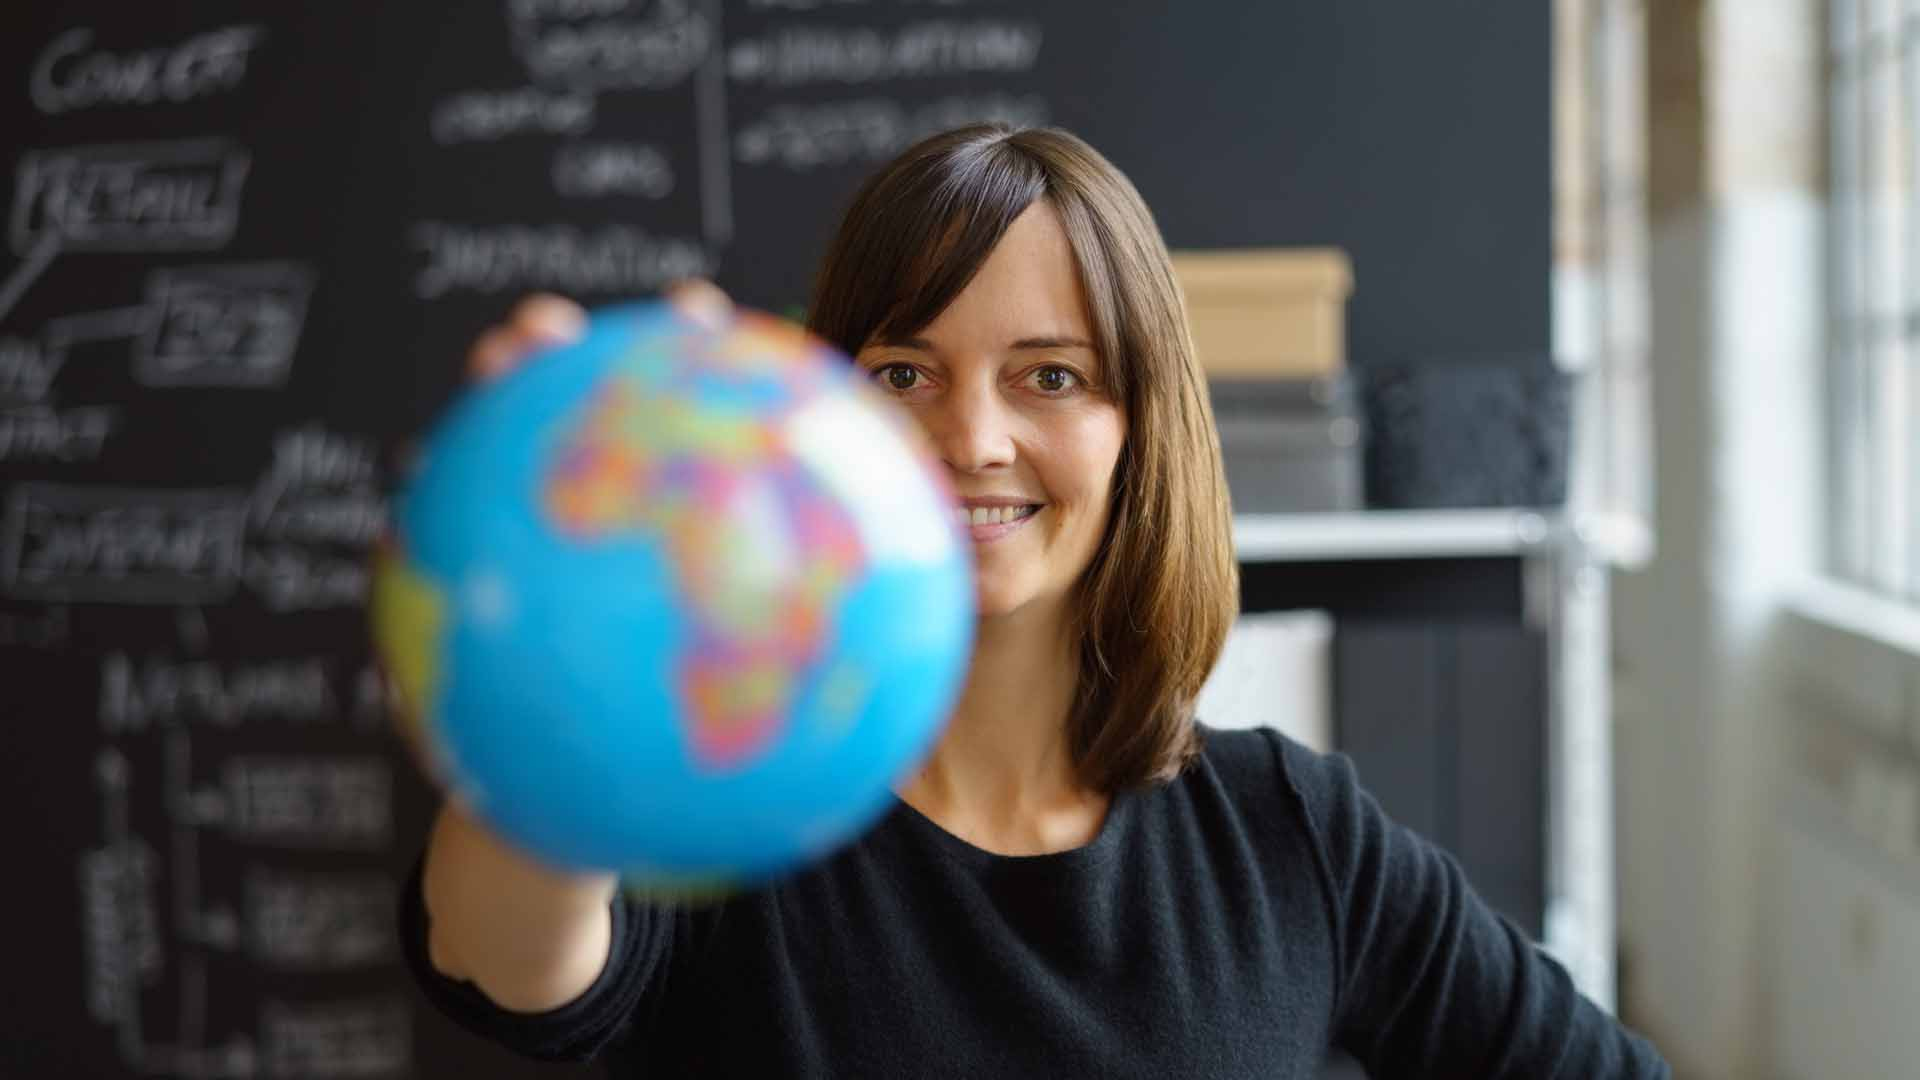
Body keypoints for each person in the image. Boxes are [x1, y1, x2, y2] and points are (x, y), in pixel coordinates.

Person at [399, 124, 1671, 1077]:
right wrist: (561, 588)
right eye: (904, 372)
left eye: (1051, 377)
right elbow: (508, 955)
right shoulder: (716, 805)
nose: (975, 438)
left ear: (1141, 431)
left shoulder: (1292, 831)